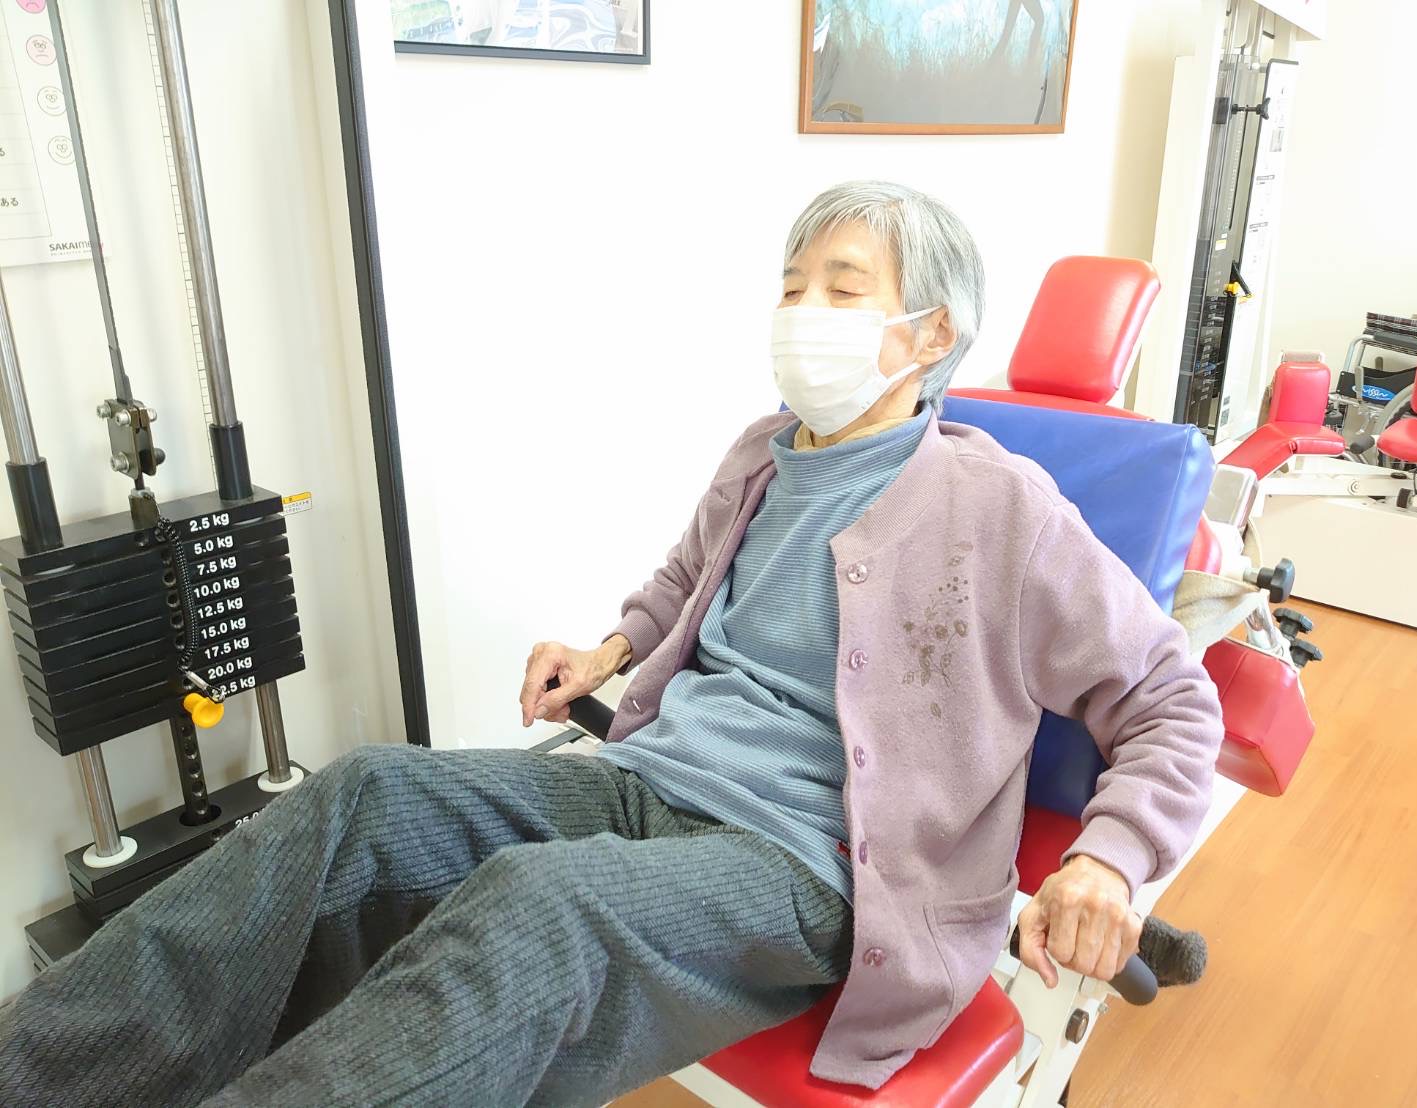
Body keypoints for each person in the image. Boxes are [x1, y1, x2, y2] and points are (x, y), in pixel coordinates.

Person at [0, 181, 1221, 1107]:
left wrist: (1107, 862)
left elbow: (1170, 695)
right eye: (792, 283)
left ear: (927, 333)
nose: (801, 312)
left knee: (540, 906)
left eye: (842, 289)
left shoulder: (997, 506)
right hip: (650, 783)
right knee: (364, 791)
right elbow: (686, 578)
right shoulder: (762, 453)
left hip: (809, 864)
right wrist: (607, 649)